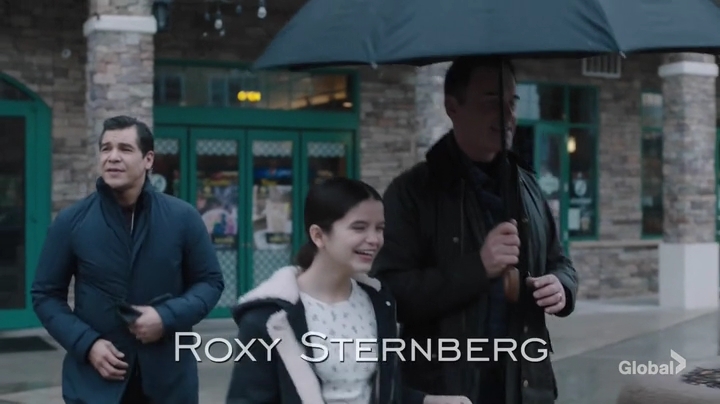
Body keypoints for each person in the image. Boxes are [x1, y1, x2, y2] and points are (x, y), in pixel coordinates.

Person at [370, 56, 579, 404]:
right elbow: (389, 295)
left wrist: (562, 286)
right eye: (491, 102)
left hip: (525, 386)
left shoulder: (527, 185)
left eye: (512, 103)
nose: (507, 116)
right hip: (447, 389)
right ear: (453, 107)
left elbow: (560, 261)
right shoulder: (413, 192)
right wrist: (478, 267)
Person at [31, 116, 225, 404]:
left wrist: (166, 317)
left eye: (124, 149)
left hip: (169, 382)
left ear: (148, 159)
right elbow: (45, 295)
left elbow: (210, 282)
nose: (113, 157)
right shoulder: (72, 221)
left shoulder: (183, 218)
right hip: (95, 385)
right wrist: (87, 344)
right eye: (106, 148)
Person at [226, 177, 470, 404]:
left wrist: (429, 401)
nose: (374, 239)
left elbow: (381, 391)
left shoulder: (379, 302)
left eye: (380, 228)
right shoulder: (268, 318)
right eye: (359, 227)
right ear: (318, 235)